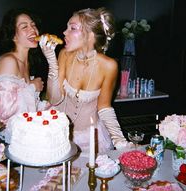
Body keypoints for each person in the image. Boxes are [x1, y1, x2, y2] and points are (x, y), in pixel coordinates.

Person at [40, 7, 131, 154]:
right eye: (67, 27)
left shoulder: (109, 66)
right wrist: (51, 62)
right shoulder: (64, 54)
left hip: (91, 139)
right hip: (58, 135)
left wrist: (119, 140)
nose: (64, 32)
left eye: (72, 28)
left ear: (90, 35)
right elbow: (54, 99)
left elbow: (104, 107)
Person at [0, 8, 50, 142]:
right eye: (24, 27)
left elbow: (27, 106)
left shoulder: (27, 62)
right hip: (3, 137)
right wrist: (32, 87)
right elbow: (6, 109)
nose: (32, 29)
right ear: (13, 36)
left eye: (33, 25)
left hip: (21, 132)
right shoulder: (9, 61)